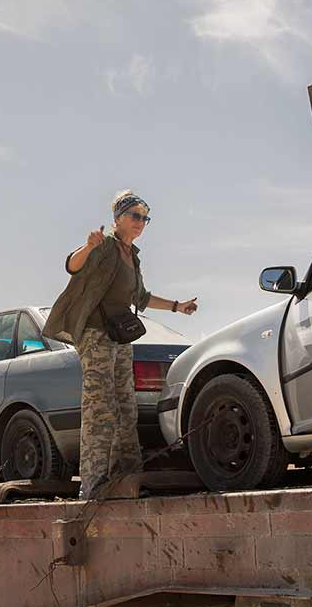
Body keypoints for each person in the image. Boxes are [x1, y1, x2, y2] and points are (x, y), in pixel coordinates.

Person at [43, 190, 198, 498]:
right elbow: (72, 266)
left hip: (119, 338)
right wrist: (88, 246)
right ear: (118, 219)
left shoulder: (133, 256)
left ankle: (126, 476)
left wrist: (177, 306)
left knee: (126, 409)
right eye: (135, 216)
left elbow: (140, 297)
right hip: (96, 336)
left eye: (144, 217)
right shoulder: (106, 247)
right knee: (100, 409)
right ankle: (92, 484)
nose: (141, 222)